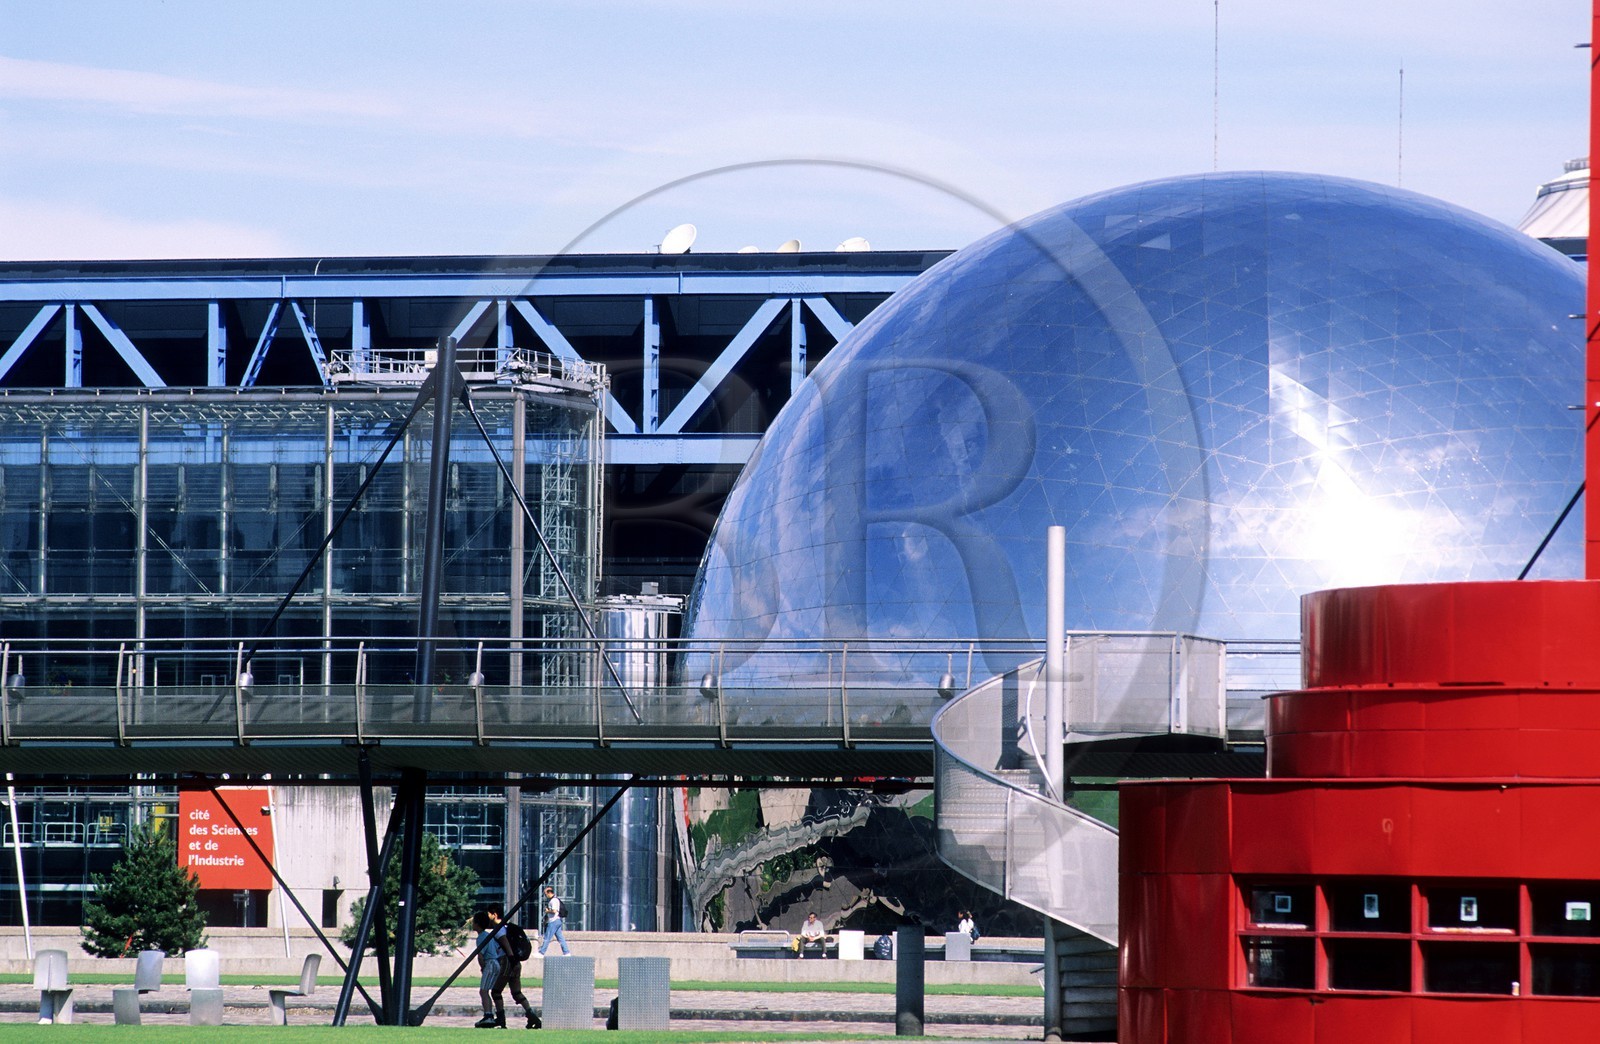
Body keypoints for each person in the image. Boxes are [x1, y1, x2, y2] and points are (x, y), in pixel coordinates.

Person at [488, 903, 540, 1029]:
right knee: (516, 992)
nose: (487, 916)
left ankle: (501, 1019)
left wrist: (510, 958)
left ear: (494, 915)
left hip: (507, 961)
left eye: (488, 914)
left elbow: (505, 943)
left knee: (496, 991)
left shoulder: (499, 929)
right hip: (515, 962)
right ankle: (532, 1016)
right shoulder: (506, 926)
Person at [471, 910, 506, 1029]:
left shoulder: (481, 937)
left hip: (490, 963)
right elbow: (496, 949)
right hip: (496, 963)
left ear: (477, 924)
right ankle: (489, 1015)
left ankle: (488, 1015)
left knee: (483, 991)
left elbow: (480, 955)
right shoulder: (488, 935)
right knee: (486, 991)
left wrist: (482, 967)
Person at [538, 886, 570, 956]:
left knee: (547, 937)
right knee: (560, 938)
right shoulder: (555, 900)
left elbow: (555, 911)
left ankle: (541, 952)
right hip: (557, 920)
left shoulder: (554, 900)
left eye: (545, 894)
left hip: (554, 921)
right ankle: (566, 952)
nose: (545, 895)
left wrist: (547, 911)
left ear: (549, 892)